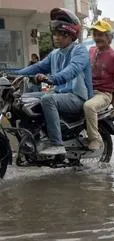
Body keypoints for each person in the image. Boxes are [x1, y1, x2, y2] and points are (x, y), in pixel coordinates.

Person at [15, 7, 92, 156]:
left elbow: (72, 69)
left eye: (61, 34)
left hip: (77, 97)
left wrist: (51, 78)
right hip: (60, 94)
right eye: (55, 33)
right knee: (23, 100)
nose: (57, 37)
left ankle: (57, 144)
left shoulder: (79, 51)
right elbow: (38, 66)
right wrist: (13, 74)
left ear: (71, 35)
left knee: (48, 99)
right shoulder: (55, 54)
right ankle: (29, 140)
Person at [83, 19, 114, 150]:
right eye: (95, 34)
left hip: (103, 94)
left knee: (89, 106)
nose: (97, 38)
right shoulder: (91, 51)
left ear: (108, 37)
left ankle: (94, 139)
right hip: (88, 90)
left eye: (100, 35)